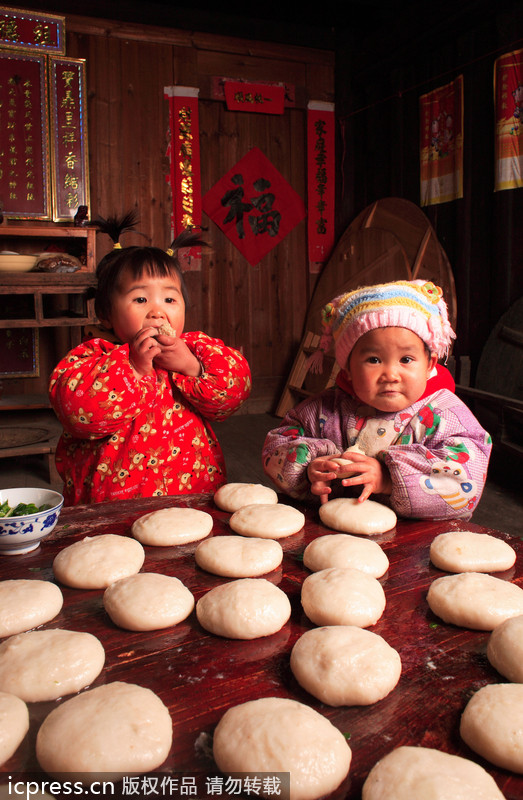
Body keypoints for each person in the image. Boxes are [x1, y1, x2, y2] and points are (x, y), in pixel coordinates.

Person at [49, 224, 251, 506]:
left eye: (169, 299)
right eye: (140, 299)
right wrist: (133, 367)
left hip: (193, 492)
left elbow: (234, 394)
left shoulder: (197, 349)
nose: (157, 311)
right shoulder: (94, 356)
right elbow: (79, 414)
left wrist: (191, 366)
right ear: (106, 315)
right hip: (116, 503)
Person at [262, 280, 492, 520]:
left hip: (419, 542)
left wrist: (388, 478)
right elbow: (276, 446)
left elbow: (469, 477)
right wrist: (310, 469)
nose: (391, 375)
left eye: (406, 359)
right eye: (373, 359)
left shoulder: (447, 415)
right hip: (335, 534)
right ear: (347, 368)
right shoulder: (322, 410)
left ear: (429, 365)